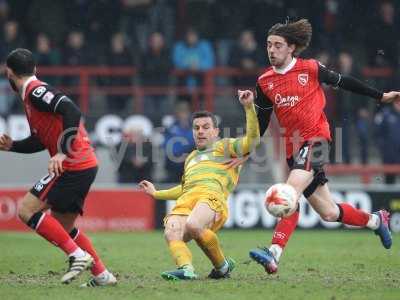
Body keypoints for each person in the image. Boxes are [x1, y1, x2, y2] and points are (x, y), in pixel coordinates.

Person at [247, 19, 397, 274]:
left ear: (291, 47)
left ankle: (273, 253)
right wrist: (246, 149)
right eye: (269, 45)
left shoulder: (311, 69)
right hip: (293, 151)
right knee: (328, 213)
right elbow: (261, 122)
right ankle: (376, 220)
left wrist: (379, 96)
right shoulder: (264, 82)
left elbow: (345, 82)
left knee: (289, 192)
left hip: (316, 140)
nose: (271, 50)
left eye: (278, 45)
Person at [0, 49, 116, 287]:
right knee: (63, 226)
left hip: (73, 164)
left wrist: (62, 151)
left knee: (26, 210)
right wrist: (12, 146)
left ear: (8, 72)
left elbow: (72, 110)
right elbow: (39, 140)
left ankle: (77, 256)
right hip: (82, 164)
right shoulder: (29, 96)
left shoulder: (36, 91)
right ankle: (102, 274)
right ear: (35, 69)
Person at [139, 90, 260, 280]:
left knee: (194, 225)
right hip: (188, 200)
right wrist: (156, 193)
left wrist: (249, 107)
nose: (200, 131)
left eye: (205, 127)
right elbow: (185, 189)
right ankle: (188, 269)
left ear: (216, 131)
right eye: (196, 128)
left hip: (211, 197)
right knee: (171, 231)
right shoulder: (190, 158)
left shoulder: (226, 147)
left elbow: (252, 141)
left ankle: (222, 265)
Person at [374, 101, 400, 184]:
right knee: (389, 180)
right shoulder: (385, 114)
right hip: (390, 155)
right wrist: (383, 147)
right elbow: (378, 133)